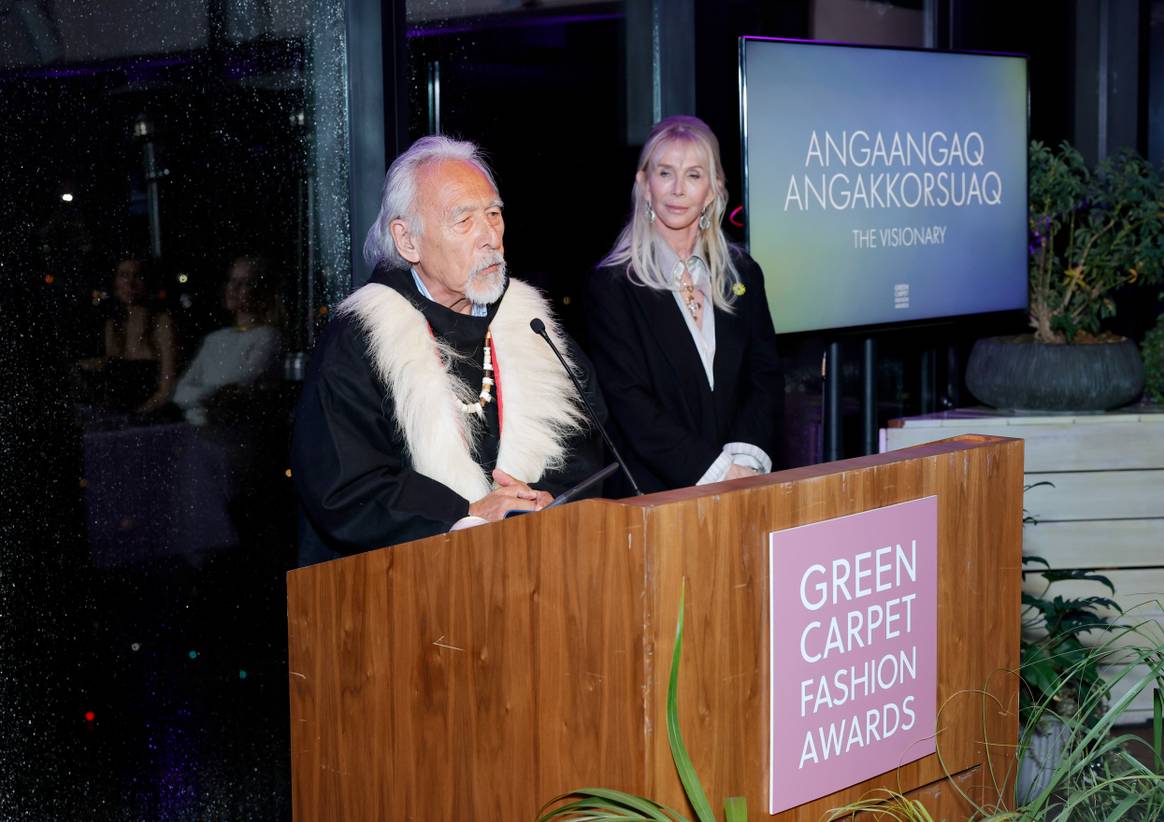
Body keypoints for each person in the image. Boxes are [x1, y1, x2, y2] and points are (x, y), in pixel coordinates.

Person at [290, 135, 605, 564]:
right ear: (408, 241)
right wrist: (467, 515)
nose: (490, 236)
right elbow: (348, 485)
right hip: (401, 590)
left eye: (494, 214)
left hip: (540, 568)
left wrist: (547, 498)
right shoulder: (360, 338)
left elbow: (584, 438)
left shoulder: (530, 322)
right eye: (464, 221)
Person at [583, 115, 783, 495]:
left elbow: (764, 378)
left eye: (693, 175)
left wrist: (745, 464)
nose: (677, 190)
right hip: (655, 497)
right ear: (645, 184)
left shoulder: (743, 274)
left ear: (712, 189)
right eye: (665, 173)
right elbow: (631, 405)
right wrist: (719, 472)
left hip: (746, 483)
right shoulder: (611, 286)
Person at [173, 255, 285, 426]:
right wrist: (212, 396)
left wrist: (200, 398)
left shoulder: (268, 337)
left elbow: (235, 390)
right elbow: (180, 392)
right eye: (232, 281)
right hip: (202, 433)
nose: (233, 288)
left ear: (262, 291)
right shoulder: (214, 339)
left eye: (245, 283)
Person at [77, 255, 178, 414]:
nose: (130, 284)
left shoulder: (161, 322)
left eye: (137, 276)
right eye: (124, 275)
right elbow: (110, 368)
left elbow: (166, 390)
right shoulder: (114, 324)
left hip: (152, 415)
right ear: (115, 283)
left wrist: (135, 418)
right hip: (117, 414)